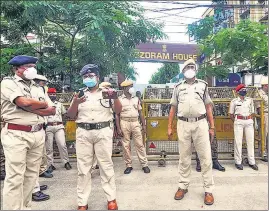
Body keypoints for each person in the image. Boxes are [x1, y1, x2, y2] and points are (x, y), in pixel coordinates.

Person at [1, 55, 56, 210]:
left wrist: (32, 106)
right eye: (27, 66)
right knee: (15, 177)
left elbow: (51, 110)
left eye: (33, 66)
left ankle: (25, 207)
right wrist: (41, 105)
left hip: (37, 133)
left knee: (31, 176)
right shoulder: (8, 83)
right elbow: (22, 102)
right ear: (17, 69)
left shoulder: (38, 87)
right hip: (16, 133)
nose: (31, 69)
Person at [67, 64, 122, 210]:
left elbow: (118, 110)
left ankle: (111, 199)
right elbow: (71, 115)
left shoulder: (106, 93)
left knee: (106, 165)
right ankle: (82, 202)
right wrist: (75, 103)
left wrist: (115, 97)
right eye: (85, 76)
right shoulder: (79, 94)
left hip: (103, 131)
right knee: (83, 168)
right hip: (83, 133)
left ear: (97, 77)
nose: (88, 78)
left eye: (91, 76)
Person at [168, 59, 215, 205]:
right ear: (183, 71)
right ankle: (183, 186)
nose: (190, 69)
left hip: (200, 124)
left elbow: (208, 107)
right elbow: (173, 108)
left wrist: (212, 126)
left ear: (196, 70)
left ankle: (208, 190)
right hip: (183, 124)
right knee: (184, 158)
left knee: (205, 158)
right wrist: (169, 126)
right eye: (187, 67)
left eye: (192, 67)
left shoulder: (203, 85)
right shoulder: (177, 87)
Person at [116, 80, 150, 174]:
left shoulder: (136, 99)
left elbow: (140, 112)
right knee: (126, 145)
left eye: (132, 86)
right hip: (124, 122)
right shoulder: (119, 99)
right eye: (129, 86)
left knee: (139, 144)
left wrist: (144, 125)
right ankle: (128, 165)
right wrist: (118, 128)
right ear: (124, 88)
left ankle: (144, 164)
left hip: (135, 122)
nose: (131, 88)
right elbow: (117, 115)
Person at [229, 84, 258, 171]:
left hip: (249, 121)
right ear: (238, 92)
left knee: (250, 141)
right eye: (242, 89)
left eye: (245, 89)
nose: (244, 91)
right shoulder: (234, 101)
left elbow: (252, 112)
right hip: (239, 121)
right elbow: (231, 114)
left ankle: (252, 161)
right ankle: (238, 162)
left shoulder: (250, 100)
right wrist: (236, 121)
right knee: (238, 142)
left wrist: (249, 119)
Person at [46, 87, 72, 172]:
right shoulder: (44, 104)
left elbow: (64, 114)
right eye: (50, 94)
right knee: (48, 147)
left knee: (62, 144)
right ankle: (50, 164)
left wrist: (63, 122)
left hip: (59, 126)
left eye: (54, 94)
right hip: (48, 126)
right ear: (47, 95)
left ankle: (66, 162)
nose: (52, 96)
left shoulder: (59, 104)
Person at [34, 74, 53, 178]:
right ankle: (40, 172)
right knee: (37, 154)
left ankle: (41, 170)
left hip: (42, 125)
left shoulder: (42, 91)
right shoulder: (34, 91)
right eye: (43, 82)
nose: (45, 84)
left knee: (42, 151)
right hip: (33, 125)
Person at [256, 77, 268, 162]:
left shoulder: (266, 94)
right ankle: (262, 152)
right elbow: (259, 107)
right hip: (264, 115)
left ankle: (266, 151)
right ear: (265, 85)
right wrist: (262, 117)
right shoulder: (259, 94)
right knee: (263, 134)